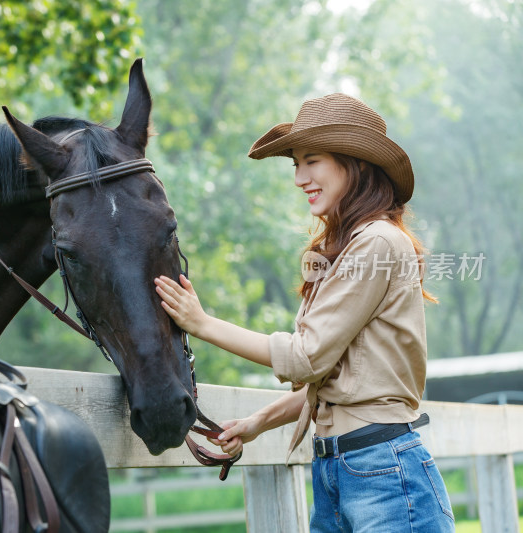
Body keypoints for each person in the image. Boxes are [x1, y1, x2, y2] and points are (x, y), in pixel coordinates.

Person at [154, 93, 455, 531]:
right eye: (295, 164)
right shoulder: (351, 246)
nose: (299, 178)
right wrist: (259, 422)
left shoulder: (377, 243)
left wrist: (202, 324)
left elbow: (305, 357)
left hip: (381, 471)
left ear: (352, 163)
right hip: (340, 469)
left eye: (311, 160)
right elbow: (332, 379)